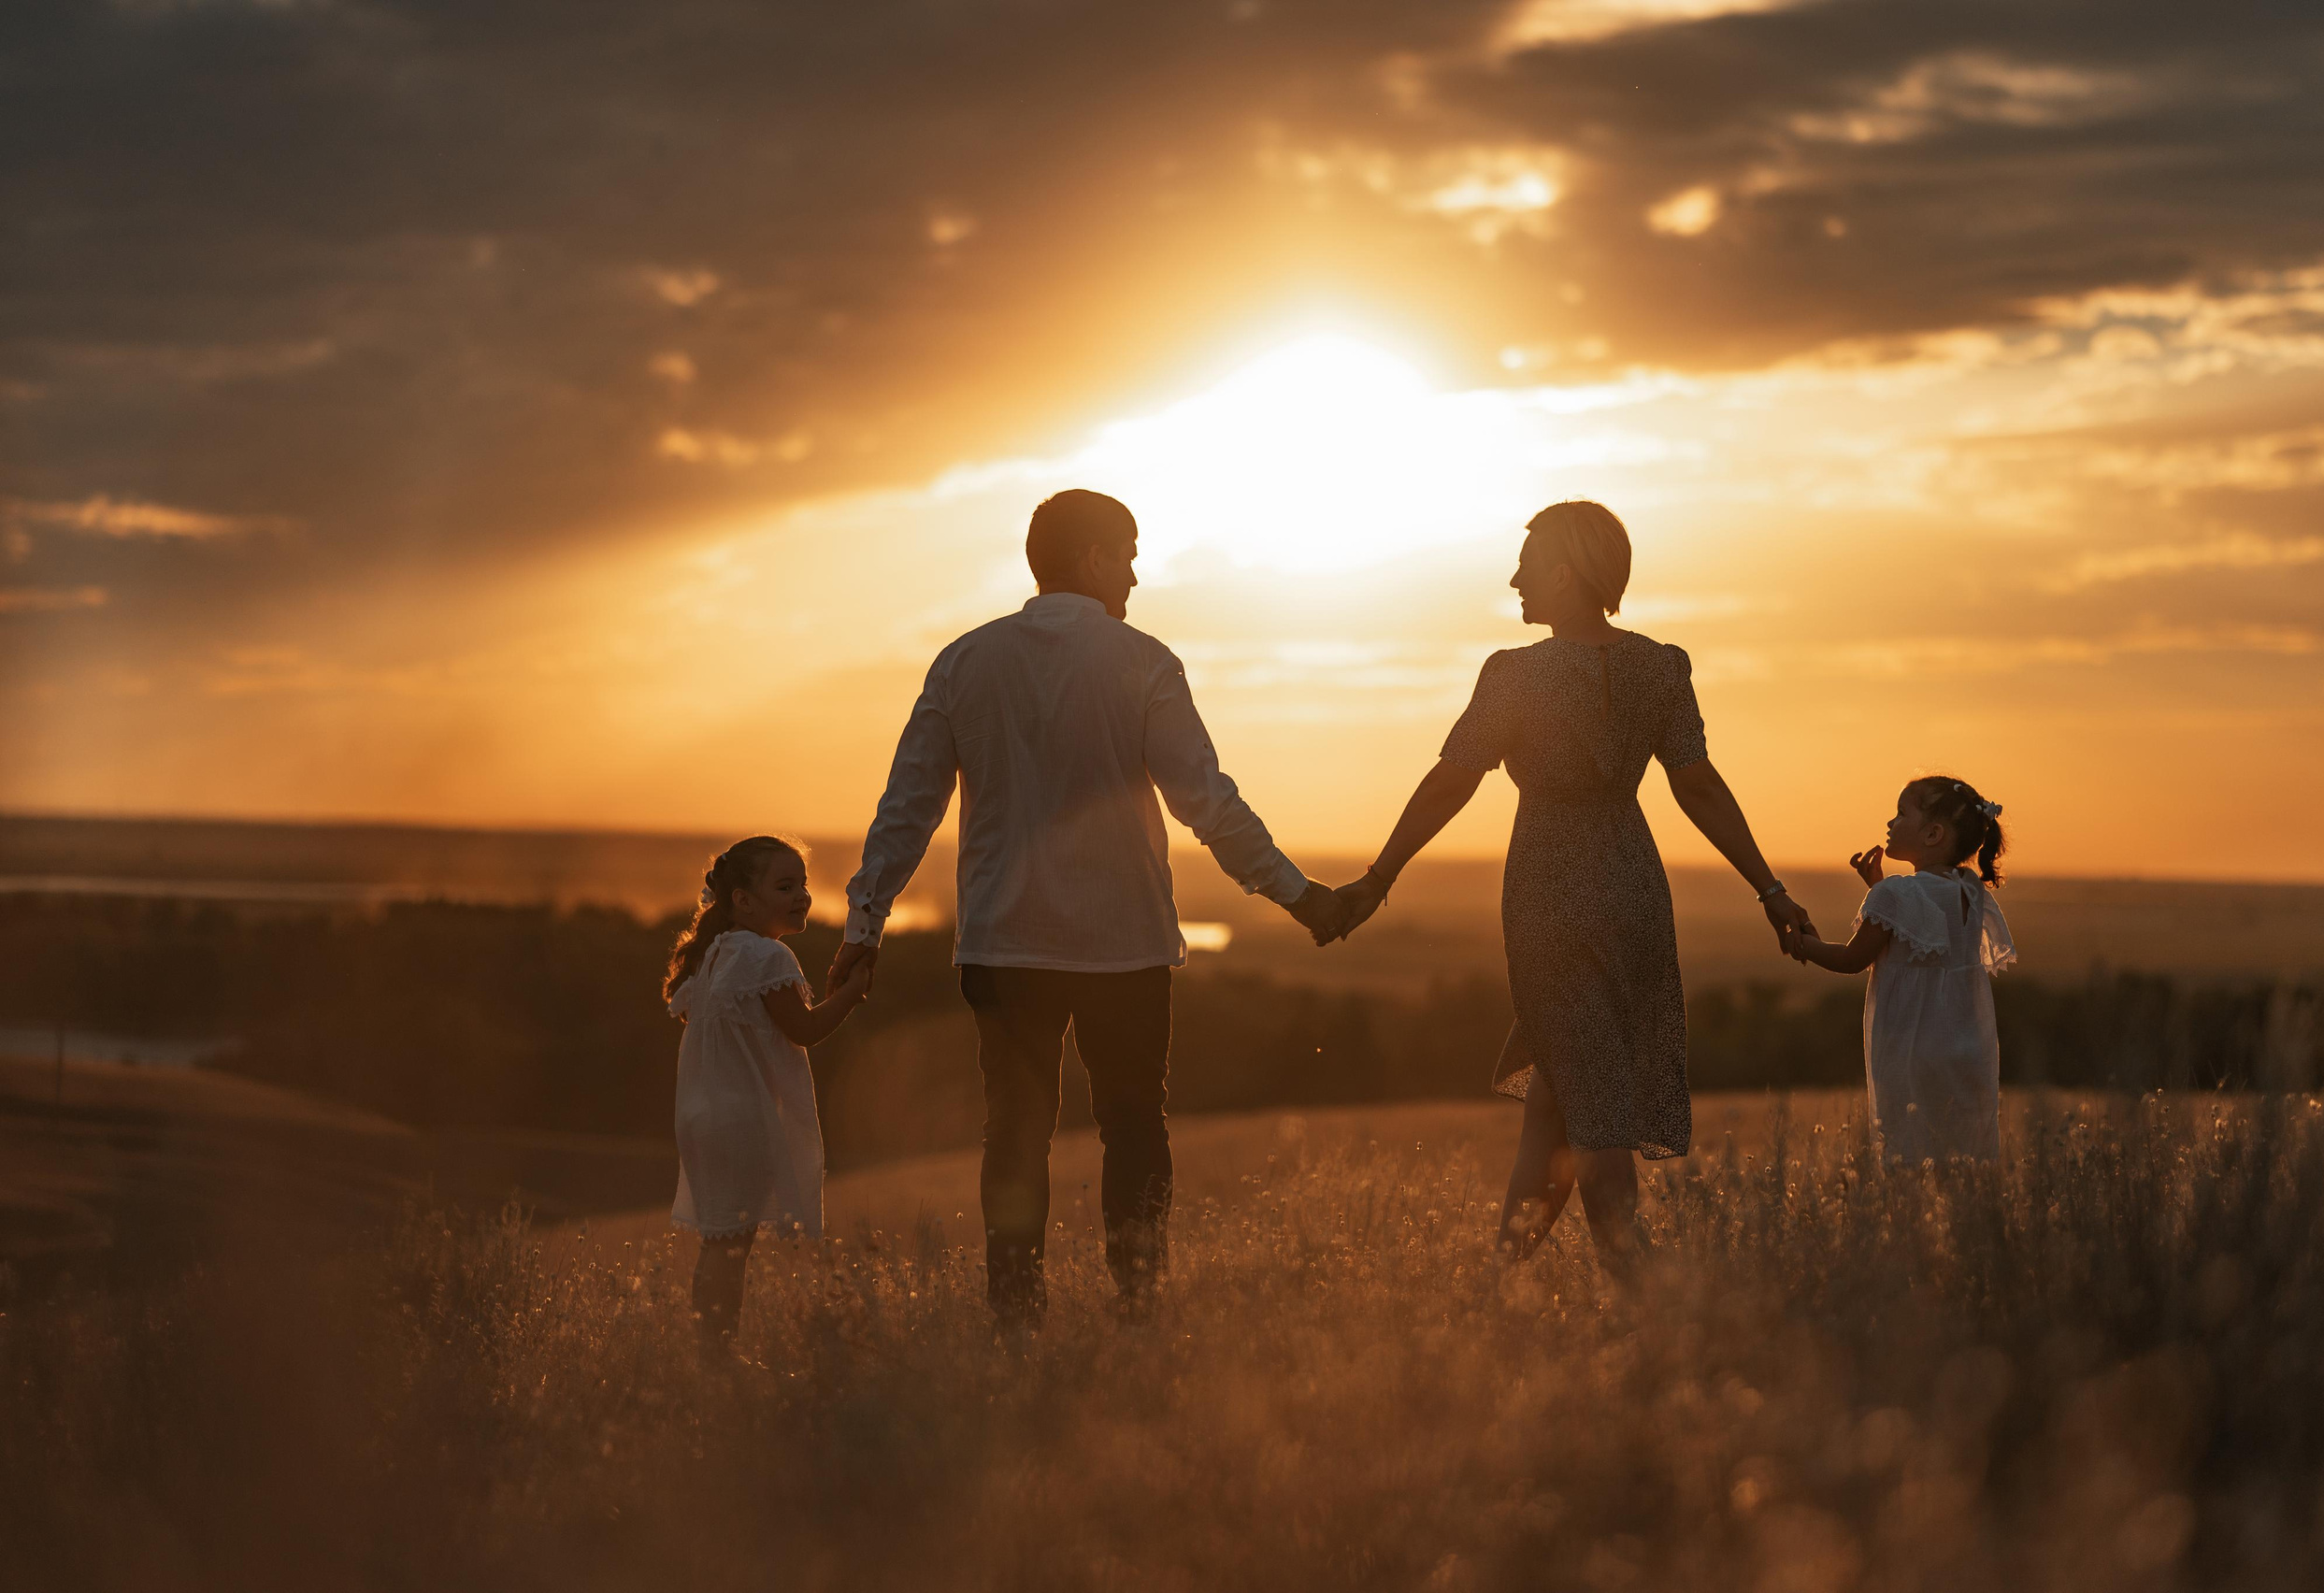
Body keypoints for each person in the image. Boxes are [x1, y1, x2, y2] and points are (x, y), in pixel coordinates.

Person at [826, 489, 1343, 1327]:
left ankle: (1015, 1315)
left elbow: (907, 807)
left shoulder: (964, 662)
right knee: (1135, 1125)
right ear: (1094, 557)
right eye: (1129, 552)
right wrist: (1299, 896)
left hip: (1004, 944)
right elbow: (1206, 803)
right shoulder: (1143, 662)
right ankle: (1138, 1303)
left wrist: (864, 923)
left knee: (1014, 1136)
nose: (1136, 573)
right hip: (1124, 945)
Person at [1329, 500, 1812, 1271]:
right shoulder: (1661, 665)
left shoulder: (1514, 673)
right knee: (1559, 1104)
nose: (1514, 580)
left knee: (1592, 1116)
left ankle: (1643, 1300)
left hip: (1550, 893)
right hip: (1635, 887)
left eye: (1527, 565)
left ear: (1563, 572)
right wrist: (1770, 888)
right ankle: (1497, 1288)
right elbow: (1699, 788)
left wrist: (1379, 877)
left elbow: (1450, 782)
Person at [663, 836, 872, 1351]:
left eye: (803, 884)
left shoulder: (716, 954)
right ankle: (718, 1355)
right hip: (741, 1119)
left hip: (702, 1115)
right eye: (785, 886)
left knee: (719, 1244)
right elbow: (802, 1030)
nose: (801, 895)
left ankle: (711, 1350)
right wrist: (850, 993)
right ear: (743, 900)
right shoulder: (766, 956)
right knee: (731, 1248)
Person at [1785, 777, 2013, 1164]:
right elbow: (1924, 922)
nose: (1890, 823)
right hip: (1964, 1046)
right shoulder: (1970, 888)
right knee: (1960, 1155)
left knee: (1909, 1153)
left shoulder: (1896, 894)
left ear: (1933, 833)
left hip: (1913, 1051)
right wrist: (1879, 888)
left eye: (1902, 813)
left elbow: (1852, 960)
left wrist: (1804, 944)